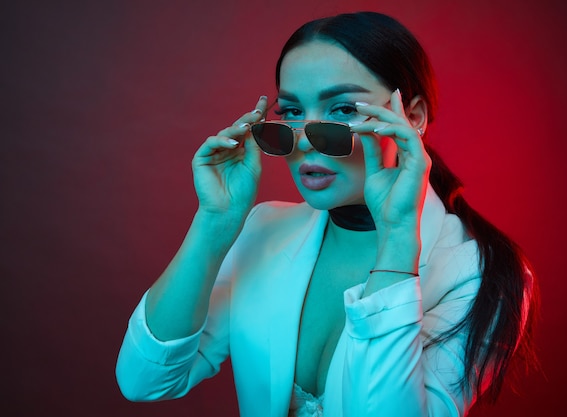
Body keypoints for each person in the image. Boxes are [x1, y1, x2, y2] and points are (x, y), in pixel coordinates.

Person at [116, 11, 538, 417]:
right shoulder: (264, 229)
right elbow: (144, 380)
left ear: (412, 117)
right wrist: (214, 223)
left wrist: (396, 239)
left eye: (343, 110)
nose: (304, 140)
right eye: (292, 112)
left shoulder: (484, 274)